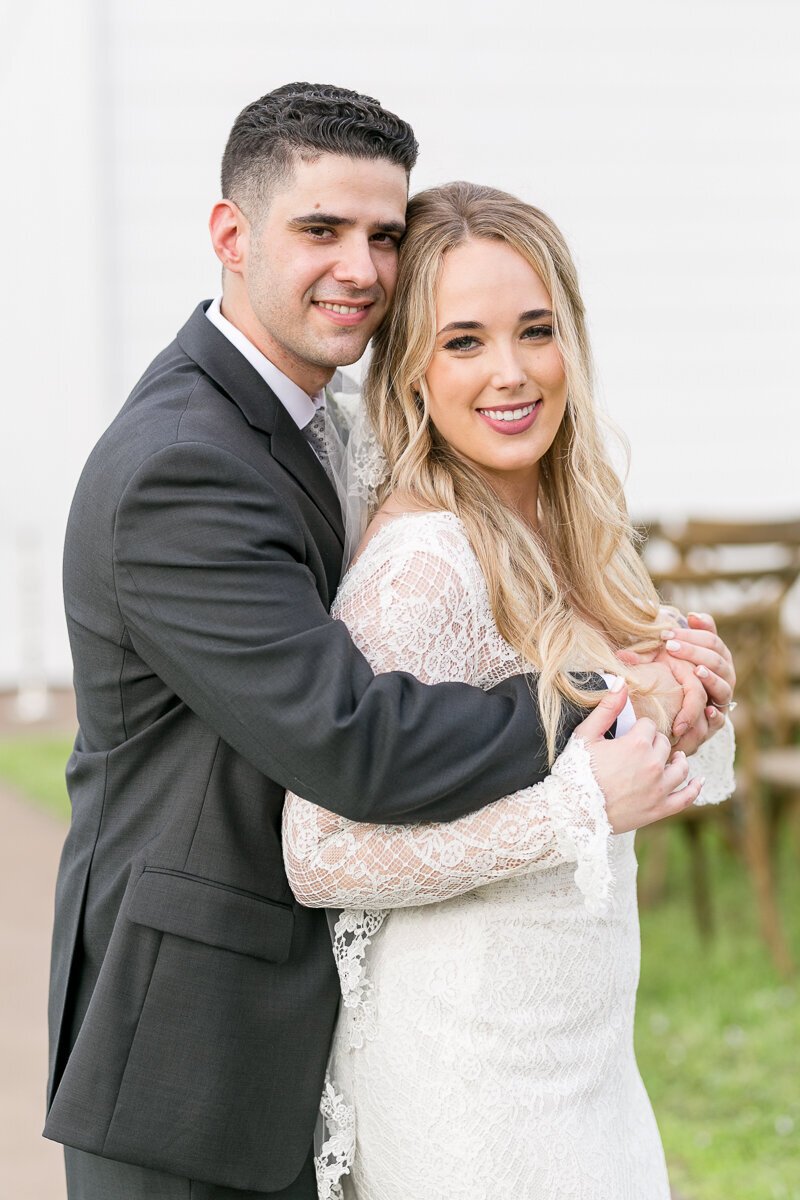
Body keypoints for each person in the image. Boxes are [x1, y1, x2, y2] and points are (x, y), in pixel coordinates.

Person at [46, 83, 733, 1200]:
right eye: (319, 230)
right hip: (196, 1041)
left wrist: (660, 666)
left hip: (350, 1013)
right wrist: (615, 694)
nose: (360, 269)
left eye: (381, 234)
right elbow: (350, 739)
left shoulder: (326, 424)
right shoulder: (181, 462)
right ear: (231, 233)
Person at [282, 182, 737, 1200]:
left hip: (584, 1056)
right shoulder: (420, 568)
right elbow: (316, 854)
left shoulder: (574, 531)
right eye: (463, 342)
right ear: (410, 375)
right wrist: (576, 807)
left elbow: (609, 773)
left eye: (533, 330)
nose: (510, 373)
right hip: (467, 1073)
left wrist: (684, 706)